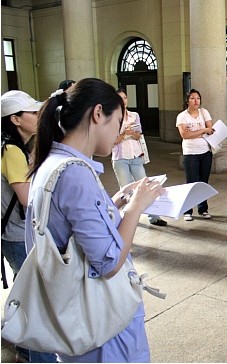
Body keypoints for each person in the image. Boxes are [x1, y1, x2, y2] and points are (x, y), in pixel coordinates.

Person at [26, 78, 164, 362]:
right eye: (117, 123)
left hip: (75, 313)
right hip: (101, 323)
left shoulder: (52, 162)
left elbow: (72, 226)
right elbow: (109, 262)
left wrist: (116, 201)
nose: (118, 132)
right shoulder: (75, 172)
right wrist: (136, 208)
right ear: (98, 113)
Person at [1, 90, 57, 363]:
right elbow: (27, 198)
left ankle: (22, 346)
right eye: (32, 113)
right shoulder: (11, 151)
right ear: (15, 119)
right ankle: (37, 356)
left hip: (12, 232)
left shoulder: (14, 147)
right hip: (15, 234)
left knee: (26, 293)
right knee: (35, 300)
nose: (38, 116)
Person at [111, 88, 166, 226]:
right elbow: (113, 140)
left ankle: (154, 217)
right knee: (127, 190)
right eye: (119, 98)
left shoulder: (134, 115)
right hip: (120, 158)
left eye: (125, 98)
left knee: (145, 186)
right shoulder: (111, 118)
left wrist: (131, 133)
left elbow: (138, 135)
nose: (123, 101)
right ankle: (129, 219)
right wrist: (124, 134)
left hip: (135, 156)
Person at [176, 89, 215, 221]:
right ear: (187, 100)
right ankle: (188, 210)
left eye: (198, 98)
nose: (196, 101)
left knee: (203, 182)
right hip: (190, 153)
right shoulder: (182, 116)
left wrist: (196, 131)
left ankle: (203, 209)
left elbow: (211, 129)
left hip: (205, 152)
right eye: (193, 98)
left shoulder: (204, 112)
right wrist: (203, 130)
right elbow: (185, 135)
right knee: (191, 183)